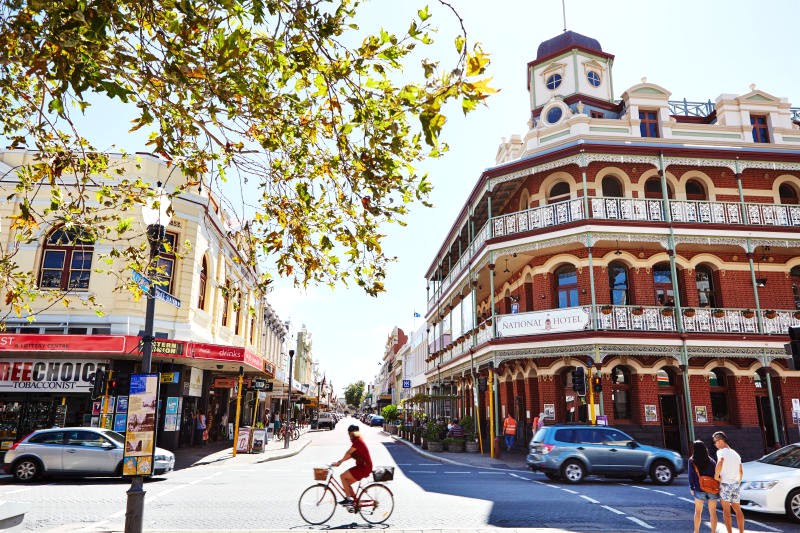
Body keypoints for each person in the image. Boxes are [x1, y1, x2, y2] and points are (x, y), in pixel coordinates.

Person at [332, 424, 373, 507]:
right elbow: (350, 455)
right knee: (346, 483)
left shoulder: (358, 442)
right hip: (363, 467)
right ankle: (355, 502)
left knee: (343, 476)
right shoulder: (357, 441)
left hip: (364, 468)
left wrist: (339, 462)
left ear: (353, 433)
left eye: (349, 434)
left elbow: (349, 453)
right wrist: (340, 462)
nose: (349, 436)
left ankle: (348, 499)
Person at [713, 431, 744, 533]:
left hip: (725, 484)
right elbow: (741, 471)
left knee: (726, 511)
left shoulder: (721, 452)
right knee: (738, 510)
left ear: (721, 440)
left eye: (715, 442)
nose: (715, 444)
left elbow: (720, 462)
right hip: (735, 484)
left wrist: (716, 476)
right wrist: (737, 481)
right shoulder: (736, 454)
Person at [688, 439, 718, 533]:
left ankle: (696, 531)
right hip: (712, 489)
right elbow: (716, 475)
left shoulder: (692, 461)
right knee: (712, 513)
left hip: (699, 488)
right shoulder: (711, 461)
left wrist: (691, 487)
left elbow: (691, 475)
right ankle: (713, 532)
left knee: (698, 512)